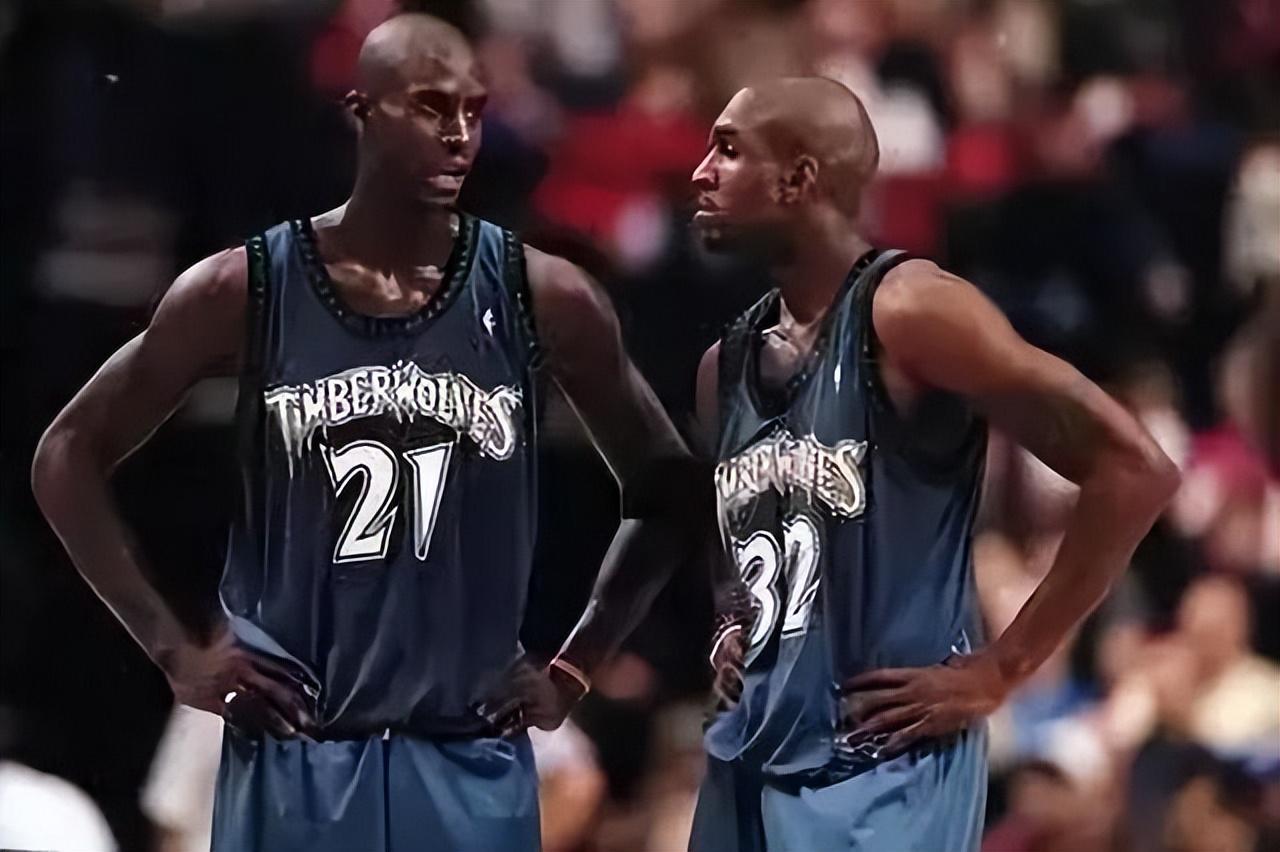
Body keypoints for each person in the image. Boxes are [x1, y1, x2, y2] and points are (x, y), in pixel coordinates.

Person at [31, 13, 706, 852]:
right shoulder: (246, 287)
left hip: (464, 746)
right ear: (361, 110)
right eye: (430, 106)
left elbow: (669, 483)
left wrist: (575, 664)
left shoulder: (545, 295)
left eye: (473, 109)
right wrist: (174, 652)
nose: (458, 134)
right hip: (297, 746)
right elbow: (66, 454)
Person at [688, 77, 1180, 851]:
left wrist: (1002, 669)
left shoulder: (912, 311)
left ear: (798, 178)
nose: (700, 173)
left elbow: (1136, 469)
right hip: (750, 754)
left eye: (727, 150)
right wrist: (730, 617)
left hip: (884, 766)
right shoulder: (726, 363)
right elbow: (734, 537)